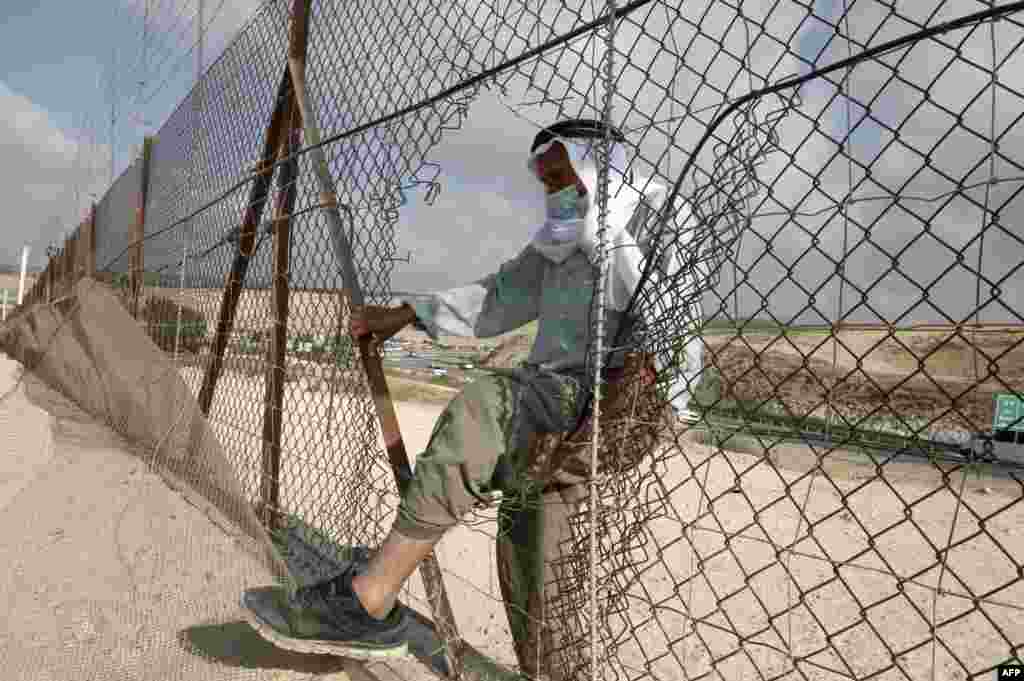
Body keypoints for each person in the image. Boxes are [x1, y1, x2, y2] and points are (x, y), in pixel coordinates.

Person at [242, 118, 704, 667]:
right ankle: (553, 671)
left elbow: (678, 316)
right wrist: (408, 314)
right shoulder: (561, 241)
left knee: (481, 412)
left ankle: (369, 600)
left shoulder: (655, 216)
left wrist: (643, 380)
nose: (553, 192)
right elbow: (500, 294)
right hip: (555, 399)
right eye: (546, 181)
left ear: (596, 168)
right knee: (530, 545)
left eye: (563, 176)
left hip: (623, 398)